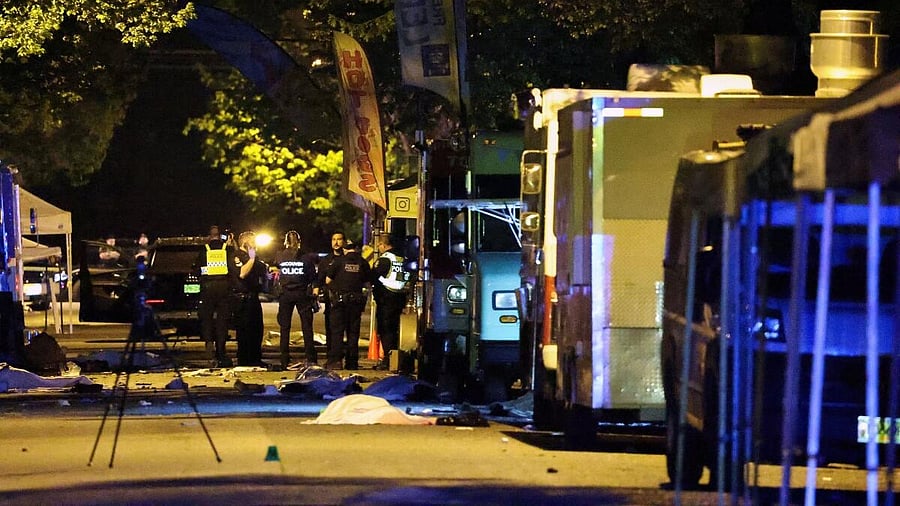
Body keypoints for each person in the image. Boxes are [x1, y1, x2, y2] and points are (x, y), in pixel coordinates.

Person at [272, 230, 318, 368]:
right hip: (302, 294)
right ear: (299, 242)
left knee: (284, 327)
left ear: (285, 242)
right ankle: (311, 358)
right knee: (307, 327)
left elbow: (275, 270)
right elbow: (312, 277)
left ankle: (284, 359)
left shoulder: (280, 256)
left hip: (285, 294)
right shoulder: (306, 257)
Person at [324, 238, 371, 370]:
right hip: (356, 302)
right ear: (355, 249)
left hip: (340, 302)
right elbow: (367, 284)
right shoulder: (363, 263)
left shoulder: (338, 262)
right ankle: (352, 362)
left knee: (337, 333)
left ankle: (336, 361)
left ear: (344, 249)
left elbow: (328, 280)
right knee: (353, 333)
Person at [197, 225, 235, 367]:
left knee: (207, 319)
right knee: (222, 321)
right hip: (224, 288)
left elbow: (197, 270)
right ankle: (221, 350)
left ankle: (208, 343)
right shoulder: (227, 249)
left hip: (208, 288)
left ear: (209, 236)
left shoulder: (204, 250)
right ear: (220, 236)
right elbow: (232, 269)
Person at [372, 234, 409, 370]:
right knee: (396, 330)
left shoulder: (385, 259)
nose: (378, 247)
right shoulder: (402, 258)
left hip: (385, 299)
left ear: (384, 245)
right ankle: (398, 359)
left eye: (379, 244)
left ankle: (388, 360)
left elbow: (374, 276)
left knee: (386, 330)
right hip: (400, 298)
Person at [232, 230, 269, 367]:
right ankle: (245, 360)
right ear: (245, 242)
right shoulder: (237, 256)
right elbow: (242, 273)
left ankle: (255, 359)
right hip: (242, 300)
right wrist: (252, 258)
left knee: (257, 330)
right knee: (245, 331)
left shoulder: (253, 258)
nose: (255, 245)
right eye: (253, 242)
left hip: (253, 298)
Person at [316, 231, 345, 363]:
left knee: (347, 330)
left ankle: (347, 357)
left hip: (346, 299)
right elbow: (320, 279)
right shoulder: (326, 260)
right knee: (331, 329)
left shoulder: (347, 258)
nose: (336, 242)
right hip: (331, 299)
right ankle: (331, 356)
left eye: (339, 239)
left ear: (343, 241)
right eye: (334, 239)